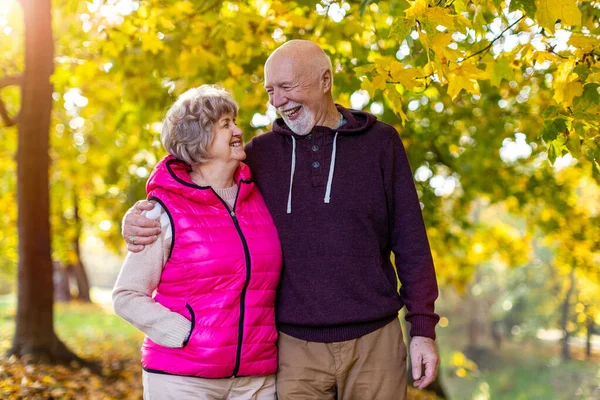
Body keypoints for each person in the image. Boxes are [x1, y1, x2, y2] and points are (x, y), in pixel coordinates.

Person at [123, 40, 440, 399]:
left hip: (375, 340)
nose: (277, 101)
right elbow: (195, 179)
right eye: (270, 91)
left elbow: (411, 240)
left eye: (287, 87)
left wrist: (422, 329)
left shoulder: (380, 143)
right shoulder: (258, 155)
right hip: (291, 348)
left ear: (325, 80)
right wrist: (141, 214)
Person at [113, 85, 281, 400]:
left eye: (235, 121)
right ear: (199, 139)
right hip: (182, 377)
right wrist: (183, 334)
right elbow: (126, 295)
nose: (238, 130)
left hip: (256, 380)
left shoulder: (261, 196)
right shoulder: (162, 211)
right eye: (226, 124)